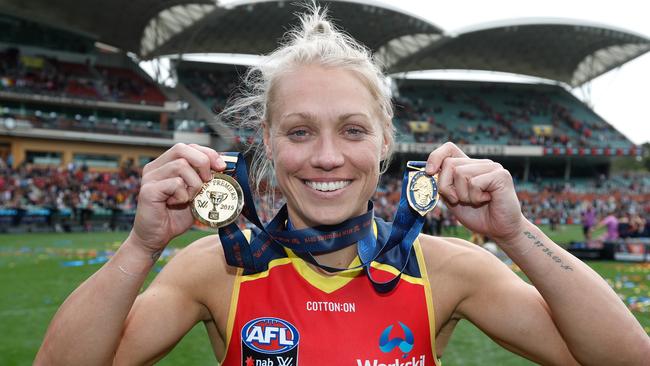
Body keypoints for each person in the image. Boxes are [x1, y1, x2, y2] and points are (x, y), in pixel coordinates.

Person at [36, 7, 648, 366]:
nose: (327, 157)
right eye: (299, 132)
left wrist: (516, 233)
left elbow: (626, 357)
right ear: (267, 144)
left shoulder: (446, 270)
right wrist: (140, 246)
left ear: (384, 142)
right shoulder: (213, 270)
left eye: (352, 130)